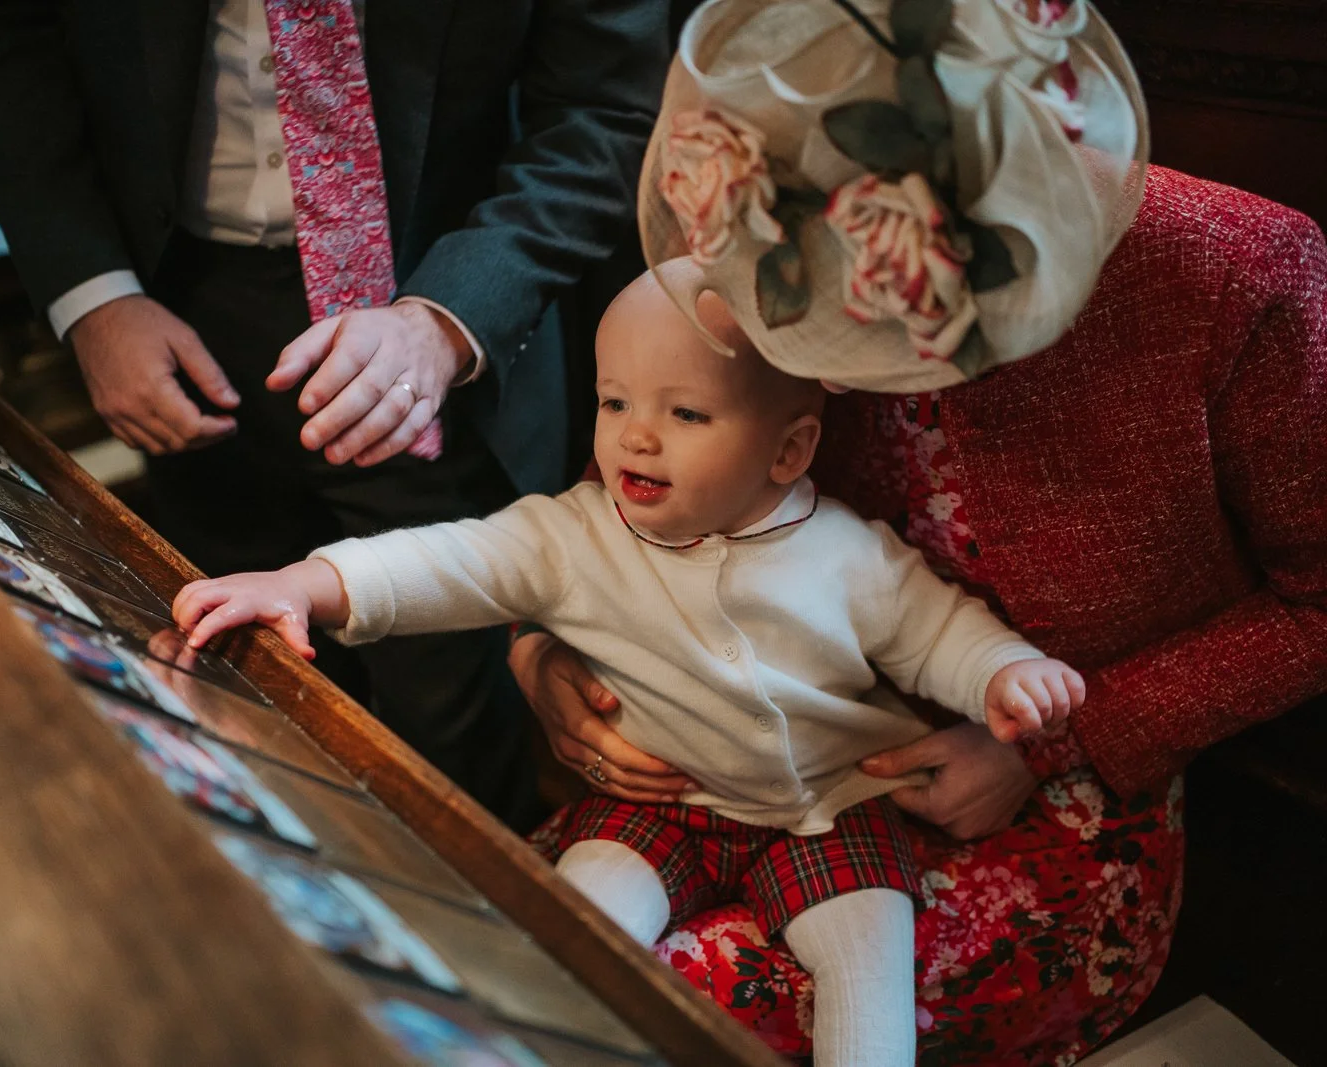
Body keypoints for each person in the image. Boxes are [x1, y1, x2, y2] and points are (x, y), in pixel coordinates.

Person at [517, 1, 1327, 1062]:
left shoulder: (1238, 275)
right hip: (744, 737)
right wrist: (546, 654)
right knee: (529, 960)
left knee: (666, 1007)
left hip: (1054, 789)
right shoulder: (763, 230)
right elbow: (633, 476)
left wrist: (1047, 745)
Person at [172, 260, 1086, 1067]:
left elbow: (938, 633)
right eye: (616, 402)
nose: (636, 437)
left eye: (685, 412)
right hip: (655, 801)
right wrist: (303, 583)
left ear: (789, 450)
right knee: (572, 937)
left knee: (870, 963)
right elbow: (441, 560)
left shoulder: (849, 553)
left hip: (829, 807)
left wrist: (1004, 672)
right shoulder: (573, 533)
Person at [0, 0, 669, 828]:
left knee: (456, 766)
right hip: (184, 315)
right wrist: (92, 298)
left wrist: (448, 319)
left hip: (447, 310)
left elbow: (604, 109)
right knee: (247, 721)